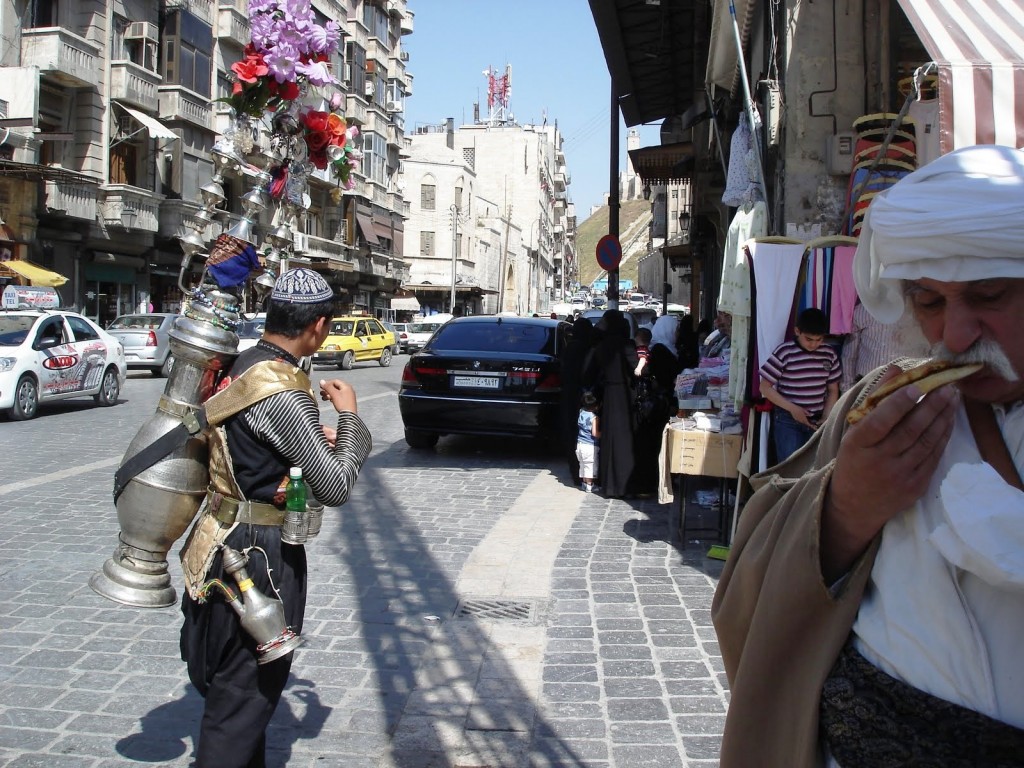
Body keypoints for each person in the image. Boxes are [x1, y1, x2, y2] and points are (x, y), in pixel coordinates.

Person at [713, 145, 1024, 768]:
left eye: (988, 296)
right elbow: (746, 592)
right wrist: (844, 509)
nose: (954, 336)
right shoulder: (884, 404)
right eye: (930, 303)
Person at [179, 268, 372, 768]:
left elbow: (255, 449)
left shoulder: (242, 365)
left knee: (237, 696)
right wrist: (350, 419)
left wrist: (309, 447)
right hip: (260, 556)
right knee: (242, 701)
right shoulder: (283, 391)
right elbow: (335, 486)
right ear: (319, 326)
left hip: (217, 538)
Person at [759, 308, 841, 463]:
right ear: (797, 331)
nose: (814, 344)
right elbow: (765, 387)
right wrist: (793, 409)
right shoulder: (785, 352)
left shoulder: (829, 353)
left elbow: (832, 390)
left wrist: (826, 417)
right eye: (809, 339)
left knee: (814, 469)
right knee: (790, 468)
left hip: (816, 422)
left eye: (819, 340)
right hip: (787, 421)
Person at [582, 310, 637, 497]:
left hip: (608, 393)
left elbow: (589, 372)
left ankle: (609, 485)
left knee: (609, 438)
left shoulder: (601, 346)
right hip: (624, 394)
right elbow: (636, 369)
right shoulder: (626, 345)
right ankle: (624, 485)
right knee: (624, 439)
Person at [576, 391, 601, 492]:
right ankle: (590, 485)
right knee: (590, 465)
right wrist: (602, 434)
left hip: (580, 443)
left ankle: (584, 483)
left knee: (582, 464)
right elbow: (595, 433)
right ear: (595, 406)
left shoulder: (581, 412)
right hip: (590, 445)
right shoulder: (594, 417)